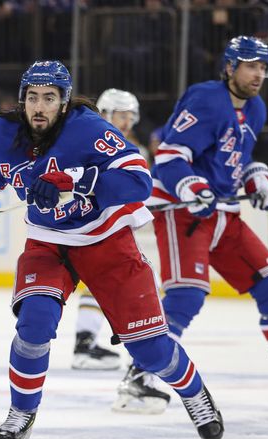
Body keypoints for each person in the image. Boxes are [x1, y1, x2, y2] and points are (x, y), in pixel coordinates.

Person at [0, 60, 224, 439]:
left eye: (49, 98)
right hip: (48, 243)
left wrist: (80, 181)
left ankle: (195, 393)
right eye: (32, 97)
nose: (38, 106)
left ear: (63, 102)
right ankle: (19, 414)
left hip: (107, 241)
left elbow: (139, 180)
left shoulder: (89, 128)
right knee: (34, 325)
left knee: (151, 352)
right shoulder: (2, 131)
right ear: (22, 99)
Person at [149, 37, 268, 363]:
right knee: (186, 296)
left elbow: (234, 159)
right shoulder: (206, 98)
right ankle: (141, 376)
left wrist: (256, 178)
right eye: (250, 66)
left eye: (262, 67)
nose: (258, 74)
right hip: (185, 212)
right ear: (230, 67)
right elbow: (170, 154)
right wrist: (192, 187)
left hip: (225, 215)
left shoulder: (257, 108)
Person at [69, 88, 172, 414]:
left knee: (115, 284)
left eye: (130, 116)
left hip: (119, 227)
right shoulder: (92, 139)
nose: (127, 121)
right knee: (103, 282)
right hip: (92, 226)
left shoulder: (132, 147)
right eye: (121, 115)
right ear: (106, 113)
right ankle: (87, 344)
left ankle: (94, 343)